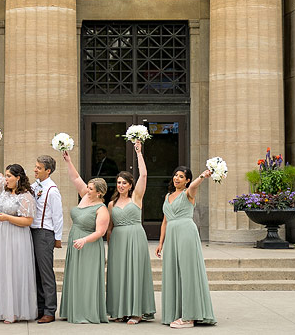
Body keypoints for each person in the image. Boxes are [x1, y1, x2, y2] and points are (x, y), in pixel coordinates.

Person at [0, 140, 37, 324]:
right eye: (6, 175)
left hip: (15, 236)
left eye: (9, 176)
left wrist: (8, 218)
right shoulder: (1, 189)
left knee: (12, 271)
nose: (6, 178)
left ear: (18, 177)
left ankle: (11, 311)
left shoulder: (25, 196)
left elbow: (28, 221)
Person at [156, 166, 216, 329]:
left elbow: (195, 186)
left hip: (186, 234)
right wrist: (161, 242)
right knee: (173, 272)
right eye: (175, 175)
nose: (176, 178)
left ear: (187, 180)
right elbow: (165, 220)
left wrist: (202, 176)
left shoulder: (188, 193)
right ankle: (175, 313)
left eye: (181, 176)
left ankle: (189, 317)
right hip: (172, 236)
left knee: (187, 272)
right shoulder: (168, 196)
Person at [56, 150, 110, 324]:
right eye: (87, 186)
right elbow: (75, 178)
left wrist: (84, 240)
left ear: (99, 193)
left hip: (89, 245)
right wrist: (68, 161)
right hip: (76, 241)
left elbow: (100, 232)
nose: (87, 189)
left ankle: (86, 312)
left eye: (91, 188)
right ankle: (72, 309)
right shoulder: (84, 195)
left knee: (86, 279)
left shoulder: (101, 209)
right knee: (75, 276)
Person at [106, 141, 156, 324]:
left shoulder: (137, 197)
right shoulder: (111, 204)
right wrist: (110, 247)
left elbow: (143, 174)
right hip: (118, 241)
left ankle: (136, 312)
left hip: (135, 237)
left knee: (135, 273)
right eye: (118, 182)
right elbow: (110, 228)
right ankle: (120, 310)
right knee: (119, 275)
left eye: (124, 183)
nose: (120, 185)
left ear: (130, 185)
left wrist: (139, 152)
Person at [29, 154, 64, 324]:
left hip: (45, 233)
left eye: (39, 168)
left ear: (48, 171)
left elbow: (58, 216)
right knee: (35, 272)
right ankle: (40, 308)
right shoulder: (34, 186)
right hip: (32, 231)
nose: (35, 169)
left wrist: (58, 238)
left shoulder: (52, 190)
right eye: (35, 166)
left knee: (45, 273)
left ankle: (50, 310)